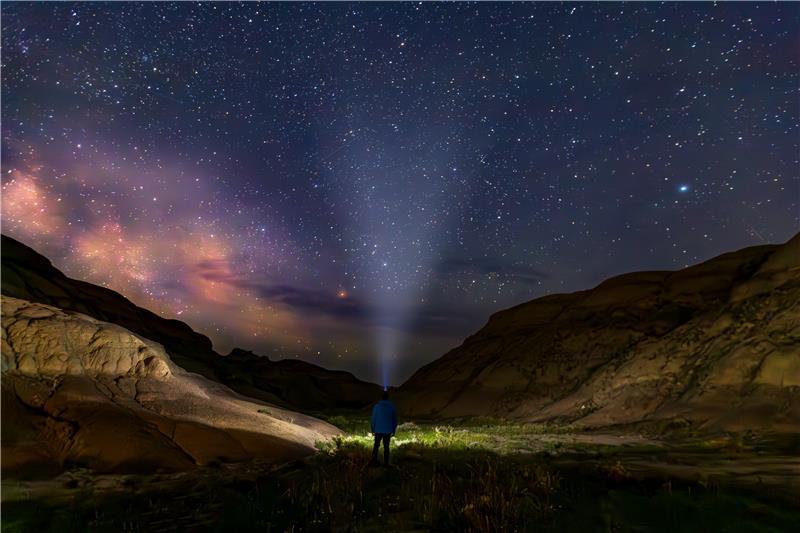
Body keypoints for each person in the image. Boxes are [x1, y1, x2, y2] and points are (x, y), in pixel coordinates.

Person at [370, 389, 398, 466]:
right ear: (388, 397)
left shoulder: (376, 406)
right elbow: (394, 420)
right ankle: (386, 464)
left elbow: (373, 419)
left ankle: (373, 461)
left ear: (381, 397)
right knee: (386, 447)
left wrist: (373, 429)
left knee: (376, 445)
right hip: (387, 430)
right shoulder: (392, 407)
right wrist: (393, 430)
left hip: (378, 430)